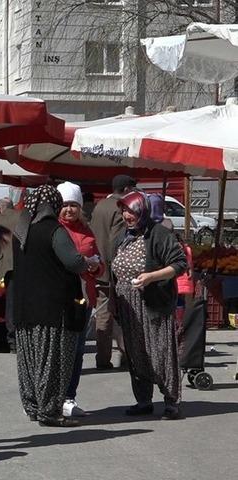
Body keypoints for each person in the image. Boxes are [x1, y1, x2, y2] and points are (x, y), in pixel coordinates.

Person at [13, 185, 93, 427]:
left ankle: (33, 406)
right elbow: (73, 261)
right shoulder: (54, 230)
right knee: (52, 360)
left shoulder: (21, 230)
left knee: (30, 361)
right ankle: (49, 410)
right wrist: (87, 262)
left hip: (25, 308)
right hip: (53, 308)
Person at [112, 191, 187, 420]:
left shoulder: (159, 234)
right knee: (136, 354)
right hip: (128, 304)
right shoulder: (123, 236)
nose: (127, 216)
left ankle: (171, 401)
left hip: (153, 302)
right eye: (124, 211)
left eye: (132, 211)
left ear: (143, 211)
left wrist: (151, 277)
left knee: (161, 352)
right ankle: (143, 400)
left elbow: (180, 264)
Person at [56, 182, 105, 418]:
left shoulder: (87, 231)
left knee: (77, 350)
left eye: (73, 205)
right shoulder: (54, 230)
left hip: (83, 297)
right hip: (59, 297)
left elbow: (99, 262)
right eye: (65, 205)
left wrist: (96, 267)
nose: (69, 210)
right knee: (59, 349)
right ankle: (54, 395)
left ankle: (69, 397)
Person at [90, 174, 136, 369]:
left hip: (98, 267)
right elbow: (116, 242)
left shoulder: (100, 205)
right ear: (126, 189)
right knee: (119, 314)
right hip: (111, 269)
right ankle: (125, 357)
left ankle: (103, 358)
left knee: (103, 314)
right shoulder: (120, 208)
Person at [0, 197, 21, 352]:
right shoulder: (24, 218)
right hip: (26, 266)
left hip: (7, 269)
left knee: (10, 305)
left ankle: (12, 341)